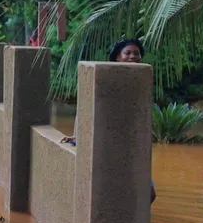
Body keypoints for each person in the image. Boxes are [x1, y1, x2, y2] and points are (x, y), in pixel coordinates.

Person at [61, 37, 156, 204]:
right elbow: (84, 109)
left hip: (132, 146)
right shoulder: (106, 78)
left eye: (137, 53)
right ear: (117, 57)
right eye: (127, 53)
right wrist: (76, 135)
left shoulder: (142, 80)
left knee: (149, 193)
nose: (133, 56)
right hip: (106, 143)